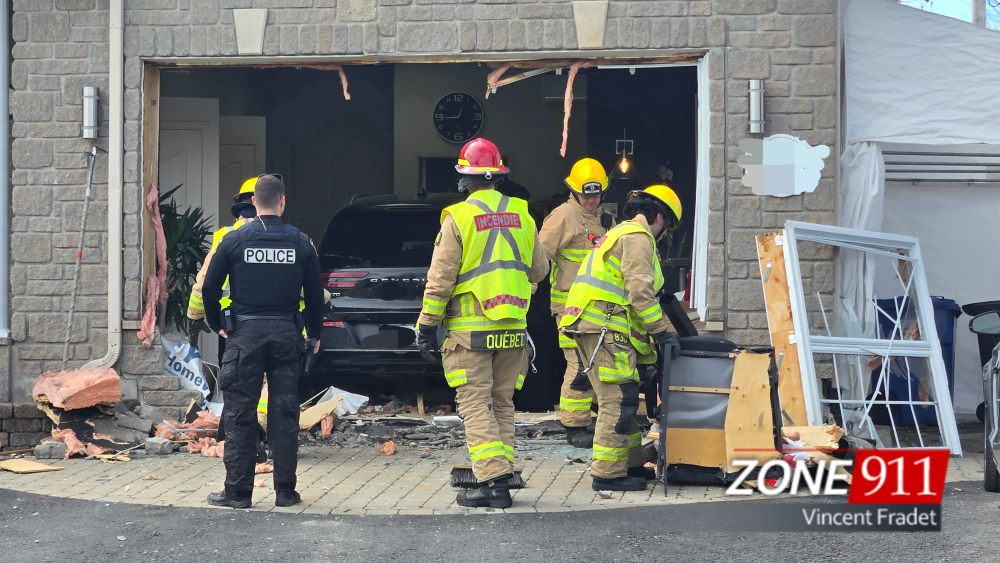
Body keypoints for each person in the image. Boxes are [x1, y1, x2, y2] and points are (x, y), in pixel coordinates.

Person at [416, 137, 549, 509]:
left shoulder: (458, 217)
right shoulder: (523, 213)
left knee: (474, 404)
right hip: (513, 327)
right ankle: (504, 471)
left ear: (463, 179)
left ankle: (492, 484)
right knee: (502, 401)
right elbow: (540, 269)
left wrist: (427, 325)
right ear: (498, 178)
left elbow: (441, 278)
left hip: (471, 330)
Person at [202, 174, 324, 509]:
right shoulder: (301, 243)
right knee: (284, 412)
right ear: (282, 201)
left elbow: (210, 288)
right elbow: (315, 296)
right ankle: (285, 492)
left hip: (245, 337)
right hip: (286, 336)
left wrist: (218, 324)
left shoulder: (235, 239)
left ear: (253, 201)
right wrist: (314, 334)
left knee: (240, 414)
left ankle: (238, 494)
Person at [558, 184, 682, 492]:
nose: (664, 234)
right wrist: (663, 335)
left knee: (622, 397)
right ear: (658, 217)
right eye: (666, 227)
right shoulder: (638, 239)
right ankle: (607, 474)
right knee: (616, 401)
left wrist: (650, 351)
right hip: (603, 327)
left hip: (594, 325)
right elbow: (639, 294)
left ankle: (630, 462)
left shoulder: (619, 233)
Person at [538, 157, 615, 448]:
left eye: (595, 194)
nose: (591, 199)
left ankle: (586, 416)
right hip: (570, 309)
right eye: (586, 194)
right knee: (579, 363)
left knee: (594, 362)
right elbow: (539, 257)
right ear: (573, 190)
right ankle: (574, 424)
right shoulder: (563, 217)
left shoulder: (604, 219)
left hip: (598, 309)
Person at [187, 177, 258, 356]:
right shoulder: (282, 236)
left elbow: (204, 282)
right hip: (277, 324)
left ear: (239, 209)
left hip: (232, 323)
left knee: (235, 378)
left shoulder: (226, 236)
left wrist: (195, 317)